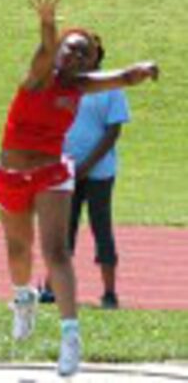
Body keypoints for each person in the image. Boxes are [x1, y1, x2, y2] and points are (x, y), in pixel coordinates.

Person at [0, 0, 158, 377]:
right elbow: (46, 49)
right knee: (19, 249)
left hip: (52, 172)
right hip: (13, 173)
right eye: (70, 49)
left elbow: (123, 77)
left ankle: (70, 338)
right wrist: (48, 23)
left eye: (83, 54)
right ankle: (23, 297)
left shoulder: (80, 88)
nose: (75, 57)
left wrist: (145, 68)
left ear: (89, 62)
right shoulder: (37, 77)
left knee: (56, 252)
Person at [39, 35, 129, 309]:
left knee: (101, 228)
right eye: (76, 52)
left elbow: (113, 131)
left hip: (99, 172)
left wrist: (87, 165)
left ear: (97, 56)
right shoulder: (64, 86)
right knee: (63, 230)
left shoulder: (110, 87)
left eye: (87, 52)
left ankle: (109, 292)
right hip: (65, 169)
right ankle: (51, 288)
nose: (80, 57)